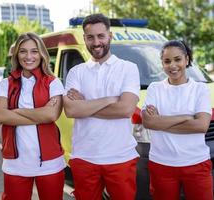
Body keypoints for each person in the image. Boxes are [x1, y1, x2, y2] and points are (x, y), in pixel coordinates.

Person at [63, 13, 140, 200]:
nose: (96, 42)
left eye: (101, 36)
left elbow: (126, 109)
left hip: (120, 156)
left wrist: (85, 105)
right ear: (84, 39)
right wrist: (110, 99)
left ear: (110, 36)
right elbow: (72, 110)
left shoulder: (128, 68)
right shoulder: (76, 72)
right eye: (90, 37)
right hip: (84, 156)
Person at [0, 32, 65, 200]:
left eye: (34, 51)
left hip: (50, 163)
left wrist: (16, 111)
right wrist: (40, 113)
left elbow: (51, 115)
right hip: (15, 164)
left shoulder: (53, 82)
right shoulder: (6, 84)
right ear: (17, 54)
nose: (29, 56)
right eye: (23, 51)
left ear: (41, 54)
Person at [142, 40, 213, 200]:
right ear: (162, 63)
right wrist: (186, 117)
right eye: (167, 61)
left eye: (177, 59)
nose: (172, 65)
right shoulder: (155, 88)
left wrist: (161, 122)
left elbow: (201, 126)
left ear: (186, 60)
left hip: (196, 163)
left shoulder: (200, 89)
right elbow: (148, 122)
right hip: (162, 164)